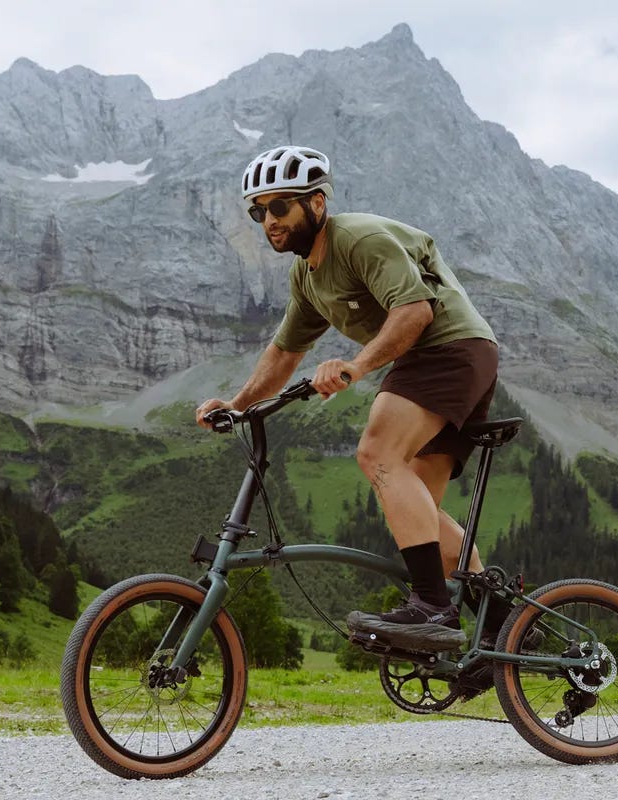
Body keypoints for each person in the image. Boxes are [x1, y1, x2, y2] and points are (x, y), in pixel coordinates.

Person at [196, 145, 508, 650]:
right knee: (417, 512)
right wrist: (235, 404)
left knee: (376, 453)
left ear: (317, 203)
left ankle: (433, 609)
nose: (268, 221)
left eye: (280, 207)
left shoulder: (359, 240)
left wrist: (355, 366)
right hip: (451, 360)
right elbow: (284, 353)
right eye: (259, 211)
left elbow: (414, 313)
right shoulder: (308, 276)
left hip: (449, 348)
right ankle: (498, 631)